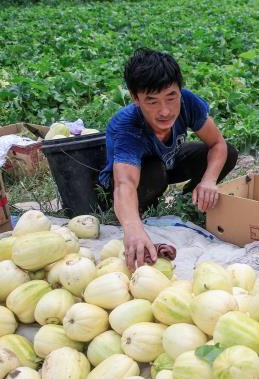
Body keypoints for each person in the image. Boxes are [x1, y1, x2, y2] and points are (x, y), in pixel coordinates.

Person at [99, 48, 238, 270]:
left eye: (171, 97)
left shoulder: (188, 103)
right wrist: (132, 227)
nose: (165, 111)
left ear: (179, 91)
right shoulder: (126, 125)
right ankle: (137, 213)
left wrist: (208, 180)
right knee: (154, 172)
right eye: (152, 101)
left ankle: (191, 200)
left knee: (228, 153)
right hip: (138, 176)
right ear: (136, 98)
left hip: (168, 161)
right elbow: (125, 183)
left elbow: (217, 144)